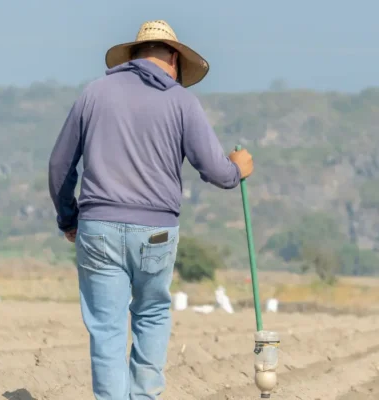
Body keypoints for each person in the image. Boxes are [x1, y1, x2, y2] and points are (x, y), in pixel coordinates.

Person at [47, 20, 254, 400]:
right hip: (156, 233)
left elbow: (60, 165)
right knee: (152, 314)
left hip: (99, 228)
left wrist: (69, 218)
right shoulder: (181, 101)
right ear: (174, 58)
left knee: (107, 328)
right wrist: (238, 167)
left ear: (133, 56)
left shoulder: (93, 94)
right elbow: (216, 172)